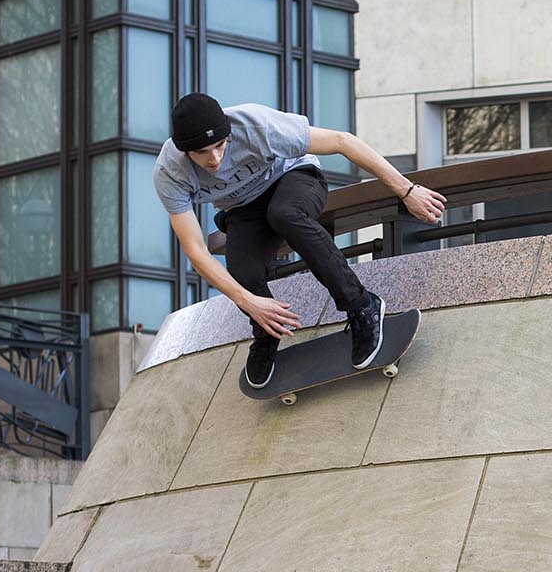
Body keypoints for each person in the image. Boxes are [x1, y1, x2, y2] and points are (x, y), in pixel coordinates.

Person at [157, 93, 447, 388]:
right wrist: (250, 302)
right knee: (243, 272)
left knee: (285, 214)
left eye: (220, 146)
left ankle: (362, 305)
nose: (215, 159)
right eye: (202, 153)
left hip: (295, 176)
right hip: (243, 207)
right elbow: (195, 250)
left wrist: (407, 191)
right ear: (184, 152)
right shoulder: (170, 173)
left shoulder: (255, 125)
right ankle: (266, 333)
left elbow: (342, 141)